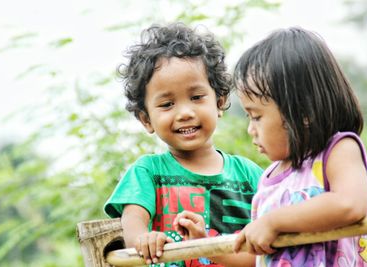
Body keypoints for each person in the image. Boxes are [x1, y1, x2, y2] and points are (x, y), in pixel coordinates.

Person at [174, 27, 367, 266]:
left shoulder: (338, 151)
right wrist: (207, 245)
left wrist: (273, 222)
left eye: (256, 116)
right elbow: (258, 255)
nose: (250, 129)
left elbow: (349, 205)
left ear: (303, 111)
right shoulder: (269, 182)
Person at [103, 22, 263, 267]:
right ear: (146, 119)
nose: (185, 113)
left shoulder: (250, 174)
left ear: (219, 102)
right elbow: (132, 224)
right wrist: (144, 240)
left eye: (197, 97)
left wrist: (206, 244)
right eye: (167, 104)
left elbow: (265, 252)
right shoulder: (147, 172)